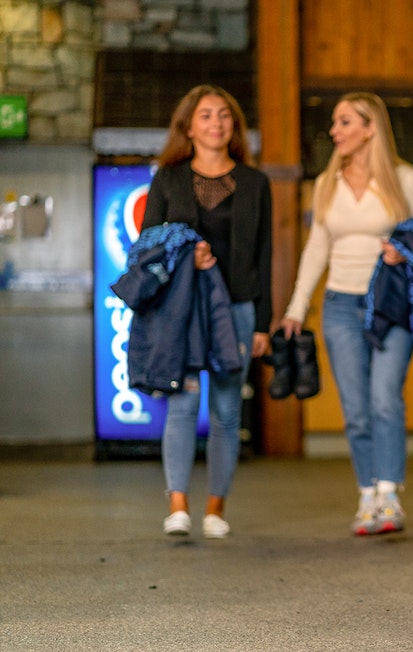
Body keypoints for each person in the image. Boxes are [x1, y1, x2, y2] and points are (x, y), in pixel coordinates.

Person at [280, 92, 413, 536]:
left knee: (385, 396)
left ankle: (390, 496)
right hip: (340, 305)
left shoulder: (405, 179)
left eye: (344, 122)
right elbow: (316, 249)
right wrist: (295, 308)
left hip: (390, 304)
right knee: (356, 407)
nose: (334, 131)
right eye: (334, 123)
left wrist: (404, 252)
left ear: (370, 127)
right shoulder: (329, 182)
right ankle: (367, 494)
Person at [142, 84, 273, 539]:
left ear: (233, 126)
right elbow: (146, 246)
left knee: (225, 411)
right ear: (188, 126)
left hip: (236, 309)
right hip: (182, 311)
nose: (216, 123)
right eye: (206, 116)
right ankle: (177, 505)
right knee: (182, 403)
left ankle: (216, 509)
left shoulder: (256, 183)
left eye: (224, 115)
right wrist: (184, 256)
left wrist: (261, 325)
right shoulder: (168, 178)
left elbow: (264, 257)